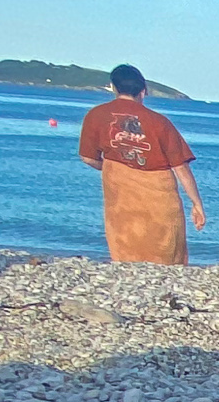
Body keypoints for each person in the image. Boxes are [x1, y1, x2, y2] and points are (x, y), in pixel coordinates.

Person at [77, 64, 206, 265]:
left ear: (113, 87)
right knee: (165, 248)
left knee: (124, 240)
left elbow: (88, 157)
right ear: (143, 90)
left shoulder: (96, 115)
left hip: (120, 192)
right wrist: (196, 204)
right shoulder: (159, 122)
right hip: (159, 193)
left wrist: (115, 168)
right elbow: (181, 168)